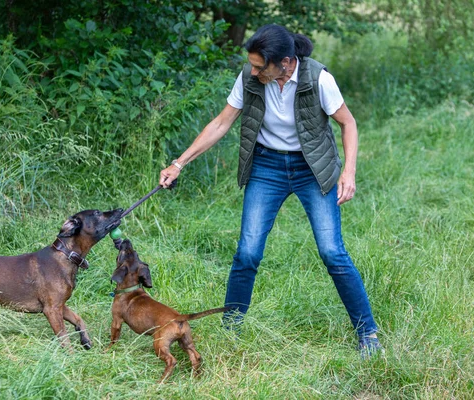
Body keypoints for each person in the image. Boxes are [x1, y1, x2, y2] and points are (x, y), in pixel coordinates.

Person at [159, 24, 382, 358]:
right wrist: (179, 163)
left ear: (287, 63)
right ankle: (231, 328)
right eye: (251, 64)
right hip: (266, 168)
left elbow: (347, 123)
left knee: (332, 252)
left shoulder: (319, 79)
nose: (253, 71)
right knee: (247, 252)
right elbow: (222, 123)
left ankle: (368, 333)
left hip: (312, 170)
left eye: (260, 66)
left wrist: (348, 172)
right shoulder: (250, 79)